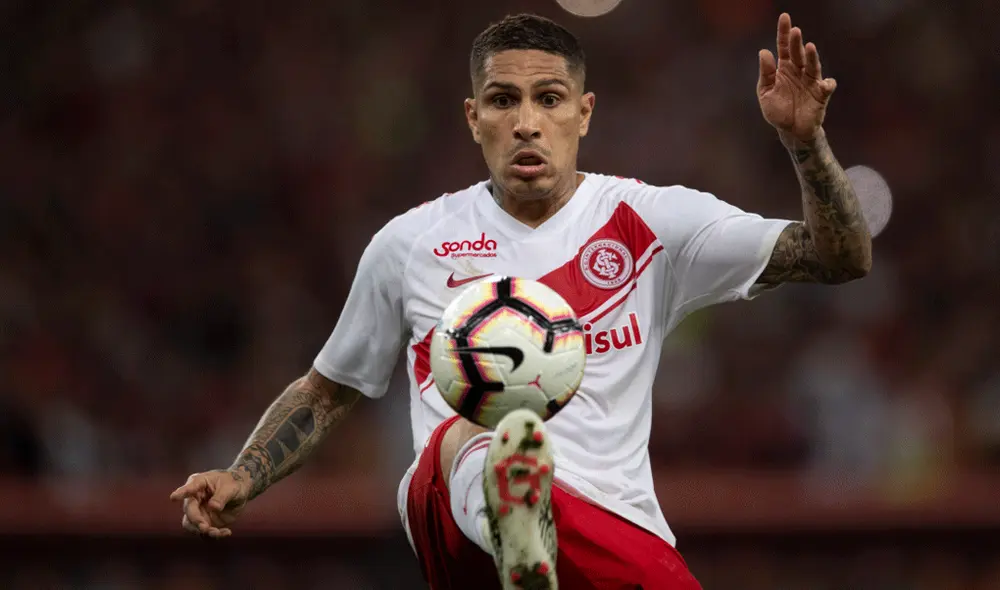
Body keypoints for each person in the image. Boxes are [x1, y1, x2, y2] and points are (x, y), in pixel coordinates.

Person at [170, 12, 871, 589]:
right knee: (467, 431)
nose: (527, 122)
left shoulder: (653, 222)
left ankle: (525, 514)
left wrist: (806, 144)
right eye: (504, 101)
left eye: (549, 98)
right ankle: (510, 508)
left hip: (613, 530)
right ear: (474, 118)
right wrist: (243, 473)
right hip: (459, 527)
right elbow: (328, 391)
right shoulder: (410, 243)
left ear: (585, 113)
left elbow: (842, 258)